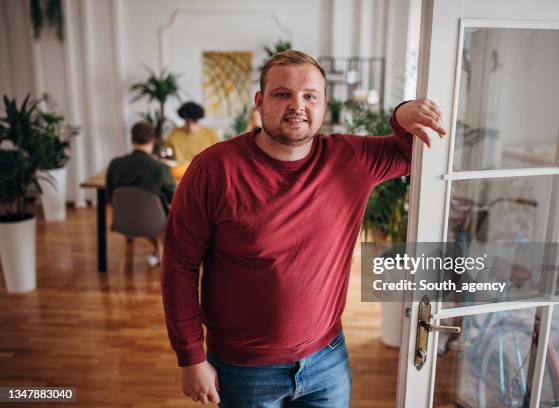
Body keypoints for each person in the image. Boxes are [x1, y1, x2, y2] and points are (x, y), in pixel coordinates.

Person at [161, 51, 446, 407]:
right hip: (243, 370)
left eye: (310, 96)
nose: (297, 105)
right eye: (283, 94)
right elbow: (179, 266)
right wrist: (191, 357)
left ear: (324, 105)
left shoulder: (351, 159)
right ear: (260, 102)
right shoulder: (214, 169)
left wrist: (403, 111)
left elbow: (416, 151)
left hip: (327, 362)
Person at [106, 121, 176, 266]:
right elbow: (174, 198)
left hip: (123, 221)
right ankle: (167, 255)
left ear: (132, 139)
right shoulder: (160, 168)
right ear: (152, 140)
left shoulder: (115, 164)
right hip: (156, 223)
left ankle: (157, 251)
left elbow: (109, 196)